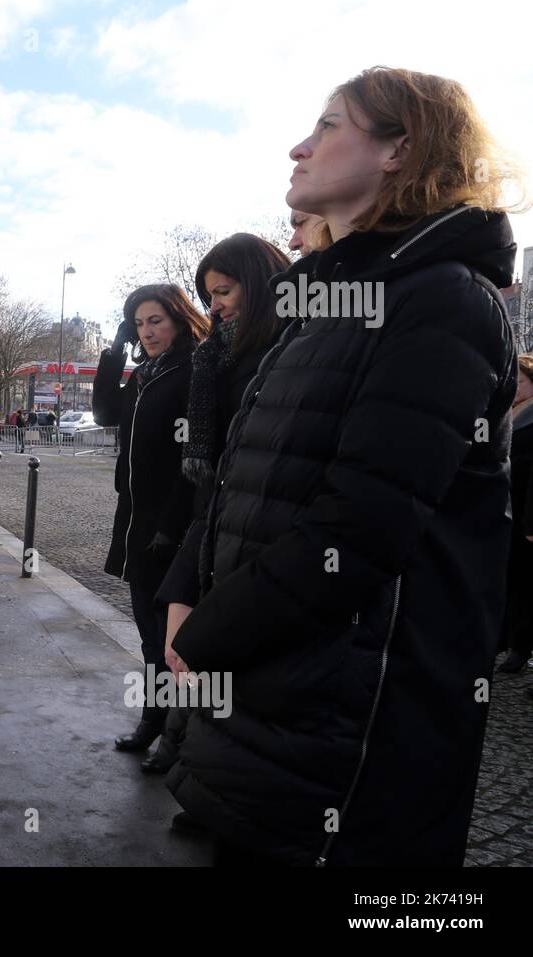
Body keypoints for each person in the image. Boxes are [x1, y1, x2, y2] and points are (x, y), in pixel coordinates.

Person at [164, 67, 523, 866]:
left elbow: (359, 525)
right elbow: (237, 475)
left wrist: (209, 633)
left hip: (352, 729)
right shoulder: (326, 298)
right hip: (269, 696)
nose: (299, 147)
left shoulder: (444, 301)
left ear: (400, 148)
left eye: (329, 126)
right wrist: (186, 589)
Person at [153, 232, 294, 788]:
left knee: (217, 658)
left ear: (257, 284)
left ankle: (200, 767)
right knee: (181, 648)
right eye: (208, 295)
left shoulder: (285, 349)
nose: (214, 305)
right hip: (209, 517)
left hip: (256, 530)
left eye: (224, 291)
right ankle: (182, 746)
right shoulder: (217, 355)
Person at [92, 285, 209, 768]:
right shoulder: (144, 375)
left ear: (179, 319)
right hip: (136, 521)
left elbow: (194, 458)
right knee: (148, 634)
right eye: (139, 323)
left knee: (175, 639)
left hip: (173, 525)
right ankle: (152, 721)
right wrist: (114, 351)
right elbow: (103, 412)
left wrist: (173, 523)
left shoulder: (194, 371)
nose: (147, 331)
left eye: (155, 320)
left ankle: (176, 739)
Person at [498, 354, 533, 673]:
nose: (517, 386)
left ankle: (521, 646)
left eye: (522, 381)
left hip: (525, 510)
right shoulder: (504, 413)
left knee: (525, 581)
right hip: (504, 509)